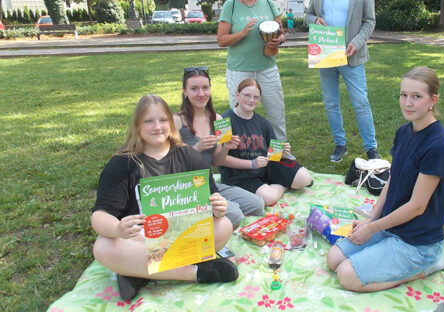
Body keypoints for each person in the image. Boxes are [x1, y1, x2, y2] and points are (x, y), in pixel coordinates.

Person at [91, 95, 238, 301]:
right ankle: (196, 273)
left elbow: (212, 197)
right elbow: (100, 215)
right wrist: (117, 229)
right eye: (148, 121)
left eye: (163, 120)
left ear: (171, 123)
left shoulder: (189, 156)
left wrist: (218, 206)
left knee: (224, 226)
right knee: (103, 247)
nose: (157, 126)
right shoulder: (123, 163)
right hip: (140, 240)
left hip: (183, 236)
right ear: (137, 125)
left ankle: (136, 272)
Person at [327, 67, 444, 292]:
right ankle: (391, 255)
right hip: (391, 227)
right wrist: (371, 220)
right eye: (403, 94)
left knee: (347, 276)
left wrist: (373, 228)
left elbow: (416, 207)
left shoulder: (439, 146)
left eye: (417, 96)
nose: (408, 102)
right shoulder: (404, 132)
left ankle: (422, 269)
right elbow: (392, 180)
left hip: (417, 242)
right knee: (333, 260)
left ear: (432, 100)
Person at [306, 0, 380, 163]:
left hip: (352, 54)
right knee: (330, 102)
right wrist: (315, 19)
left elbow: (369, 21)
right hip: (326, 52)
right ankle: (340, 144)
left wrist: (357, 42)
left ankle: (371, 149)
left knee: (360, 102)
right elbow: (308, 15)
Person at [173, 66, 265, 228]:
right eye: (194, 89)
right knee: (235, 213)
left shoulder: (219, 119)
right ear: (184, 91)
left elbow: (217, 161)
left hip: (209, 185)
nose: (201, 94)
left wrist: (227, 148)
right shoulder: (176, 121)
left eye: (205, 88)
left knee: (257, 204)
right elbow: (168, 164)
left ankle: (212, 214)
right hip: (184, 190)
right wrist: (196, 149)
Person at [217, 0, 292, 155]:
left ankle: (280, 155)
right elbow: (221, 40)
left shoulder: (268, 3)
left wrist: (279, 40)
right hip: (239, 70)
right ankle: (233, 156)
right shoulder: (230, 6)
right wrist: (242, 34)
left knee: (277, 114)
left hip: (267, 68)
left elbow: (282, 32)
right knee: (238, 114)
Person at [217, 78, 312, 206]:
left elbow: (273, 155)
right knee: (268, 199)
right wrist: (252, 164)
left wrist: (282, 154)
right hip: (239, 175)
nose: (251, 100)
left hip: (265, 168)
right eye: (247, 95)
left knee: (306, 178)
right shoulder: (223, 121)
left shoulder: (263, 123)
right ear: (237, 95)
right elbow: (221, 159)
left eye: (256, 97)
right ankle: (282, 186)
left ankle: (274, 185)